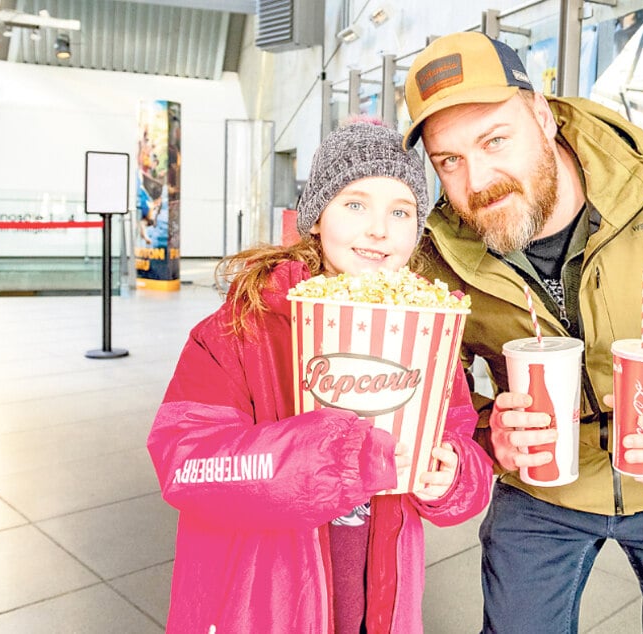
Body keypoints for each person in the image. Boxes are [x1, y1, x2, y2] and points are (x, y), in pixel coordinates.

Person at [402, 32, 643, 634]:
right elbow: (435, 389)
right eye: (448, 161)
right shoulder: (437, 254)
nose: (477, 180)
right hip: (540, 491)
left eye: (495, 140)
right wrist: (489, 431)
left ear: (541, 113)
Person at [147, 120, 493, 633]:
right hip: (263, 603)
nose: (379, 229)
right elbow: (185, 461)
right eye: (355, 204)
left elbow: (459, 439)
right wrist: (332, 460)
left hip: (380, 601)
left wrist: (452, 478)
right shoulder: (241, 326)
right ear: (316, 216)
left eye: (400, 211)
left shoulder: (427, 328)